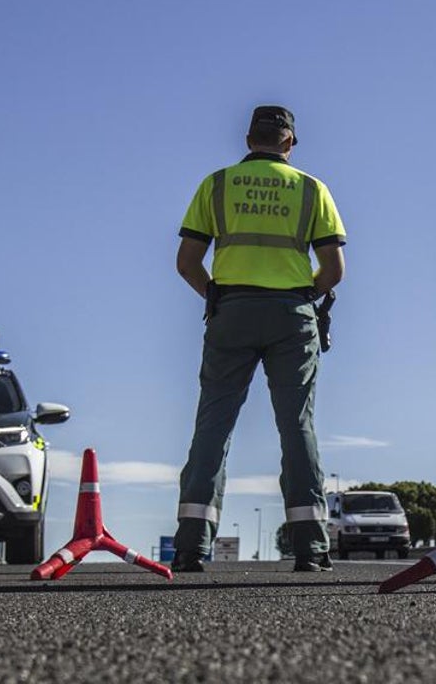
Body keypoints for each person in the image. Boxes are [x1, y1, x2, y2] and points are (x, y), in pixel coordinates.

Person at [172, 105, 346, 573]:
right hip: (292, 315)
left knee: (213, 426)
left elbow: (186, 261)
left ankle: (191, 545)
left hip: (232, 311)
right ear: (290, 142)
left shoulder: (218, 184)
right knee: (296, 427)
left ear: (249, 140)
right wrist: (305, 296)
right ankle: (310, 549)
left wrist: (215, 296)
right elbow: (334, 270)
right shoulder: (312, 189)